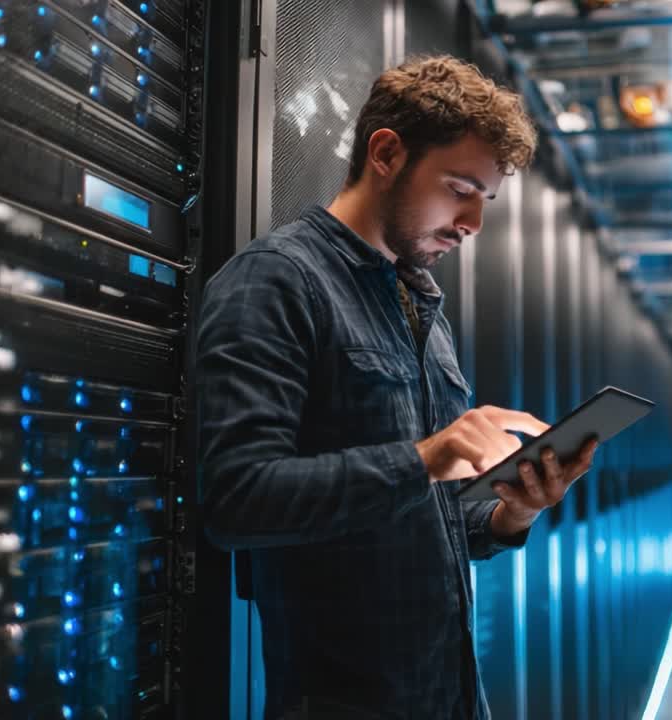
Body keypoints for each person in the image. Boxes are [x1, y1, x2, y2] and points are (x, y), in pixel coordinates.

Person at [196, 55, 599, 719]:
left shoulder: (418, 304)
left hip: (449, 692)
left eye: (485, 199)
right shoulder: (275, 281)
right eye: (461, 187)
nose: (473, 221)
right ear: (386, 152)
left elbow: (440, 519)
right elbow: (238, 501)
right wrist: (428, 456)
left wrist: (514, 510)